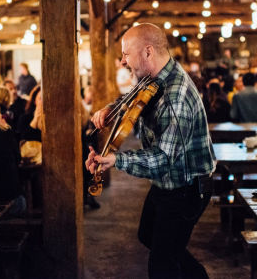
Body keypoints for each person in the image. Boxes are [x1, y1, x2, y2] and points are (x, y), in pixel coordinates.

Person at [86, 23, 215, 279]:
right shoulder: (153, 76)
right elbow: (132, 98)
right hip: (168, 184)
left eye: (126, 54)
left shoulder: (175, 95)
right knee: (148, 235)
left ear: (147, 52)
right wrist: (110, 109)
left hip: (187, 188)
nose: (123, 62)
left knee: (162, 266)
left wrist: (116, 160)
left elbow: (164, 159)